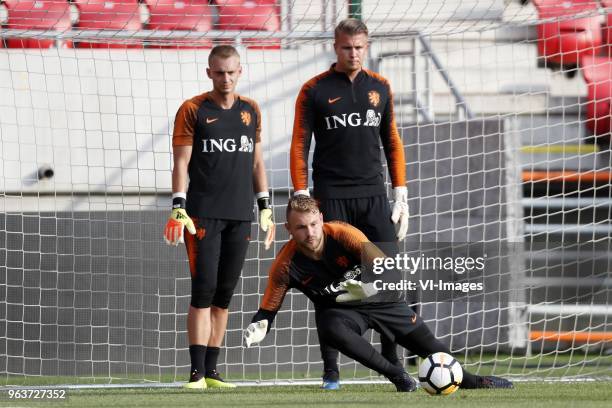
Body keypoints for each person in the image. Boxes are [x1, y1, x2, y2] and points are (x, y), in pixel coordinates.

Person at [244, 197, 513, 392]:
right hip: (342, 312)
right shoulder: (285, 265)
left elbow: (390, 271)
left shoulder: (343, 234)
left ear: (321, 220)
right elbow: (269, 308)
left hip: (380, 299)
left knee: (434, 352)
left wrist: (369, 287)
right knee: (329, 327)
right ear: (289, 229)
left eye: (313, 224)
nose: (310, 232)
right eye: (301, 227)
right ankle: (399, 377)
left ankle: (474, 380)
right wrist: (260, 325)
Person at [290, 18, 409, 388]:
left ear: (367, 46)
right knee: (331, 285)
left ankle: (394, 359)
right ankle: (331, 369)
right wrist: (300, 192)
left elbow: (392, 141)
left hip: (374, 197)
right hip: (332, 198)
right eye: (346, 47)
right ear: (335, 47)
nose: (352, 53)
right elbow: (299, 144)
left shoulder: (381, 87)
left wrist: (400, 193)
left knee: (388, 279)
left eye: (358, 47)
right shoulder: (314, 90)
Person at [163, 45, 275, 389]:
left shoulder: (251, 110)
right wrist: (178, 206)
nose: (225, 78)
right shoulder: (193, 109)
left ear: (240, 72)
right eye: (219, 72)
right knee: (204, 290)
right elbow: (181, 161)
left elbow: (256, 163)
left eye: (231, 72)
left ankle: (213, 372)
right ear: (208, 72)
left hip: (239, 216)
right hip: (202, 216)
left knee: (224, 294)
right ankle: (195, 373)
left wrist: (265, 207)